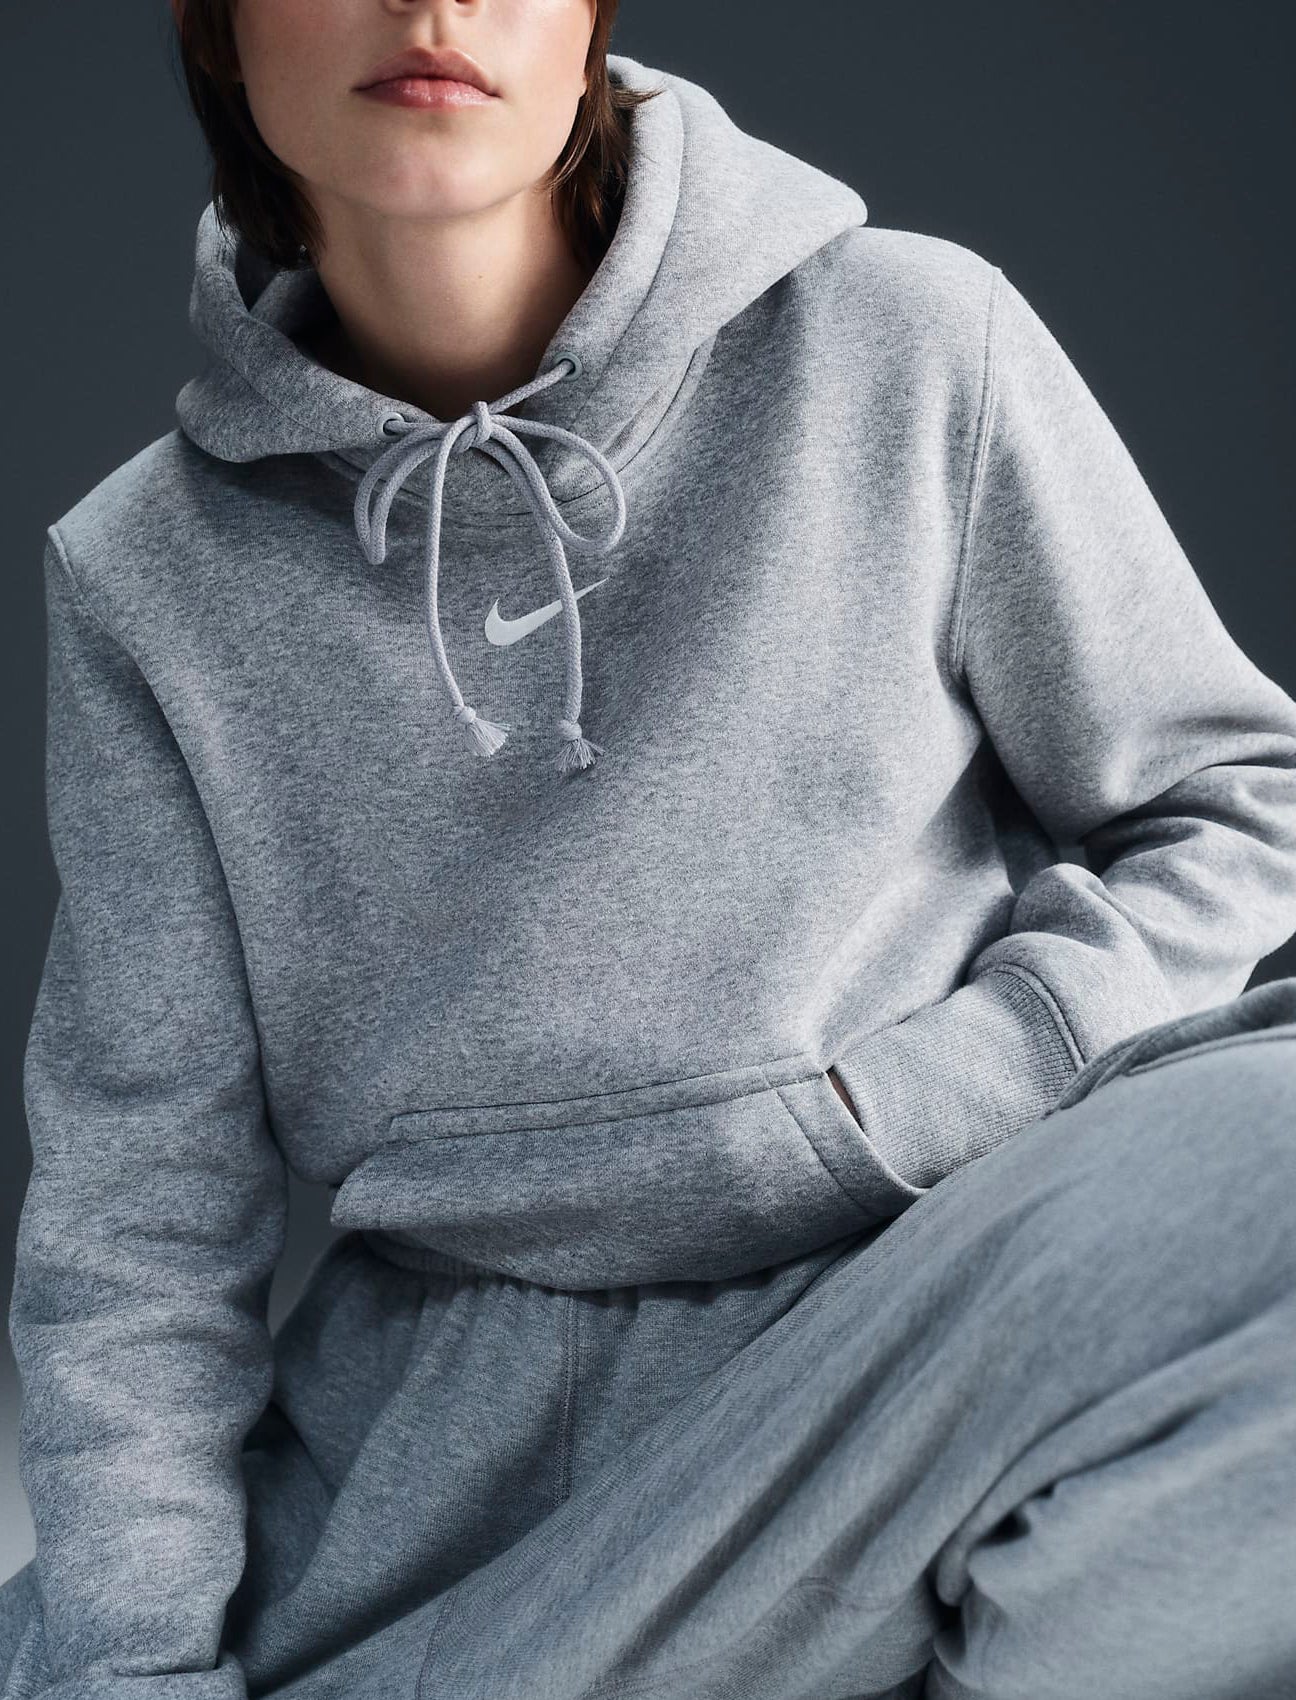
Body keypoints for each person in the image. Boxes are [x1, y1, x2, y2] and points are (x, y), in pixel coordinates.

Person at [3, 2, 1296, 1696]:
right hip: (452, 1511)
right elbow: (139, 1221)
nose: (432, 4)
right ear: (223, 29)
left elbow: (1237, 795)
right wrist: (132, 1670)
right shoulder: (146, 573)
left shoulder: (908, 344)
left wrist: (921, 1101)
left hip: (926, 1301)